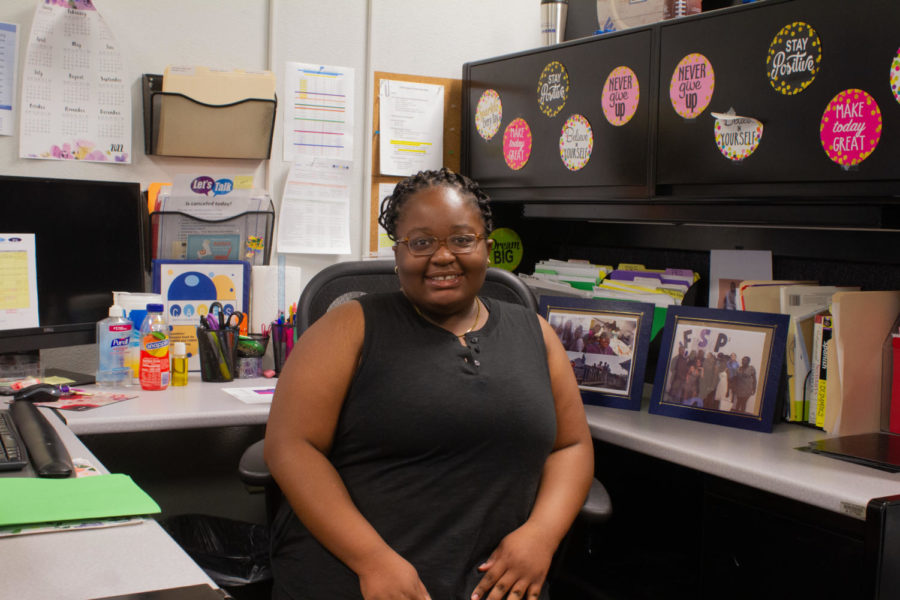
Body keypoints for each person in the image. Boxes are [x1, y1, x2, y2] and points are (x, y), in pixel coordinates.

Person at [265, 168, 594, 600]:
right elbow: (290, 447)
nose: (443, 256)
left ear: (487, 249)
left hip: (497, 582)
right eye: (421, 243)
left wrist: (542, 536)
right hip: (362, 577)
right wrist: (372, 560)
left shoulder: (536, 333)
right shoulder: (348, 328)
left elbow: (571, 447)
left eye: (461, 239)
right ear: (398, 254)